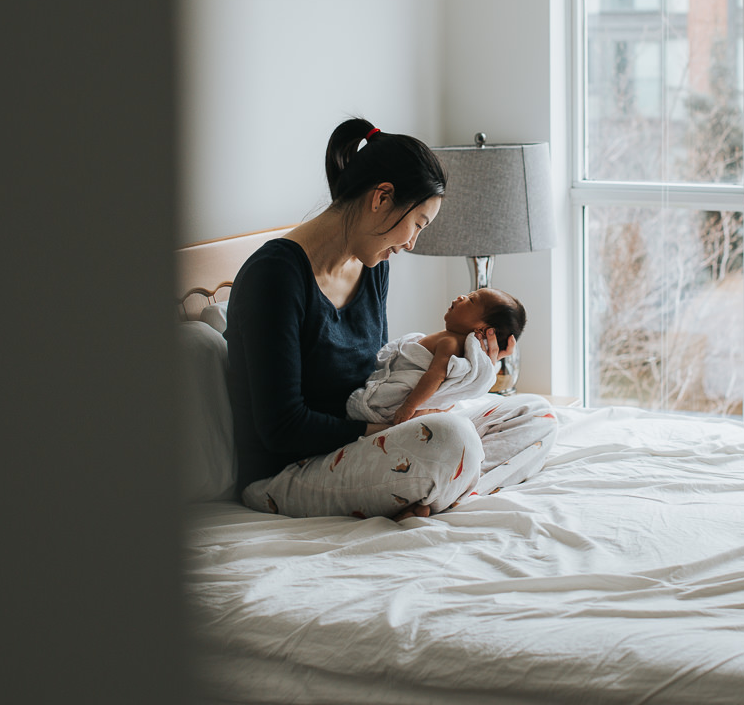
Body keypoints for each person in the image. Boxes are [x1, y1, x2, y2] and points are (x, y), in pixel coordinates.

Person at [225, 118, 557, 521]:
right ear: (381, 197)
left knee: (535, 415)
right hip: (292, 470)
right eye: (417, 224)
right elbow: (281, 428)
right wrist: (391, 431)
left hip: (367, 435)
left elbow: (377, 373)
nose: (411, 244)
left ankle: (443, 491)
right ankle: (443, 485)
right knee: (452, 439)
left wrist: (466, 375)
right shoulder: (275, 276)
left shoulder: (371, 265)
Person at [345, 288, 527, 426]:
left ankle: (424, 411)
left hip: (403, 401)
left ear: (481, 329)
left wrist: (409, 405)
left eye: (471, 300)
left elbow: (434, 375)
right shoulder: (450, 338)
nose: (462, 297)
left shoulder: (451, 343)